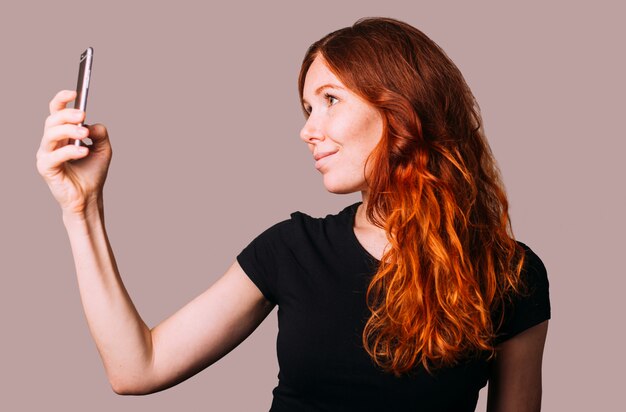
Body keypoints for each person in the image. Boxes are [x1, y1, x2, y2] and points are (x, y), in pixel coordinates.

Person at [36, 17, 550, 412]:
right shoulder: (292, 250)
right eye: (308, 109)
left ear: (403, 110)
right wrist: (82, 209)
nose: (309, 129)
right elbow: (137, 368)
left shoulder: (512, 274)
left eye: (330, 100)